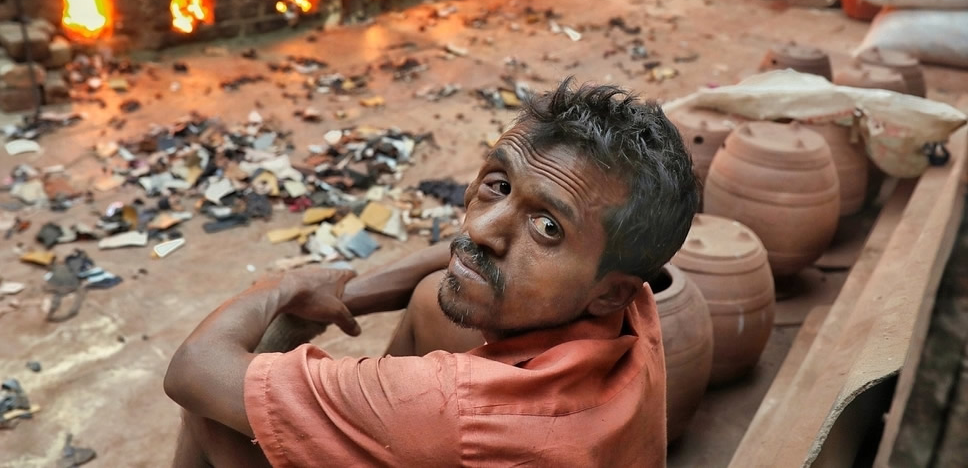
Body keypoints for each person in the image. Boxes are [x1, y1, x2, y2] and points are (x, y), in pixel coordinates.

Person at [164, 79, 699, 467]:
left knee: (218, 408)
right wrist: (353, 293)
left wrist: (283, 288)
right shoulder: (626, 299)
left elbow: (192, 371)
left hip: (459, 427)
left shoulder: (451, 405)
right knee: (430, 296)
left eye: (547, 227)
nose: (485, 227)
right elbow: (469, 247)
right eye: (499, 184)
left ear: (612, 292)